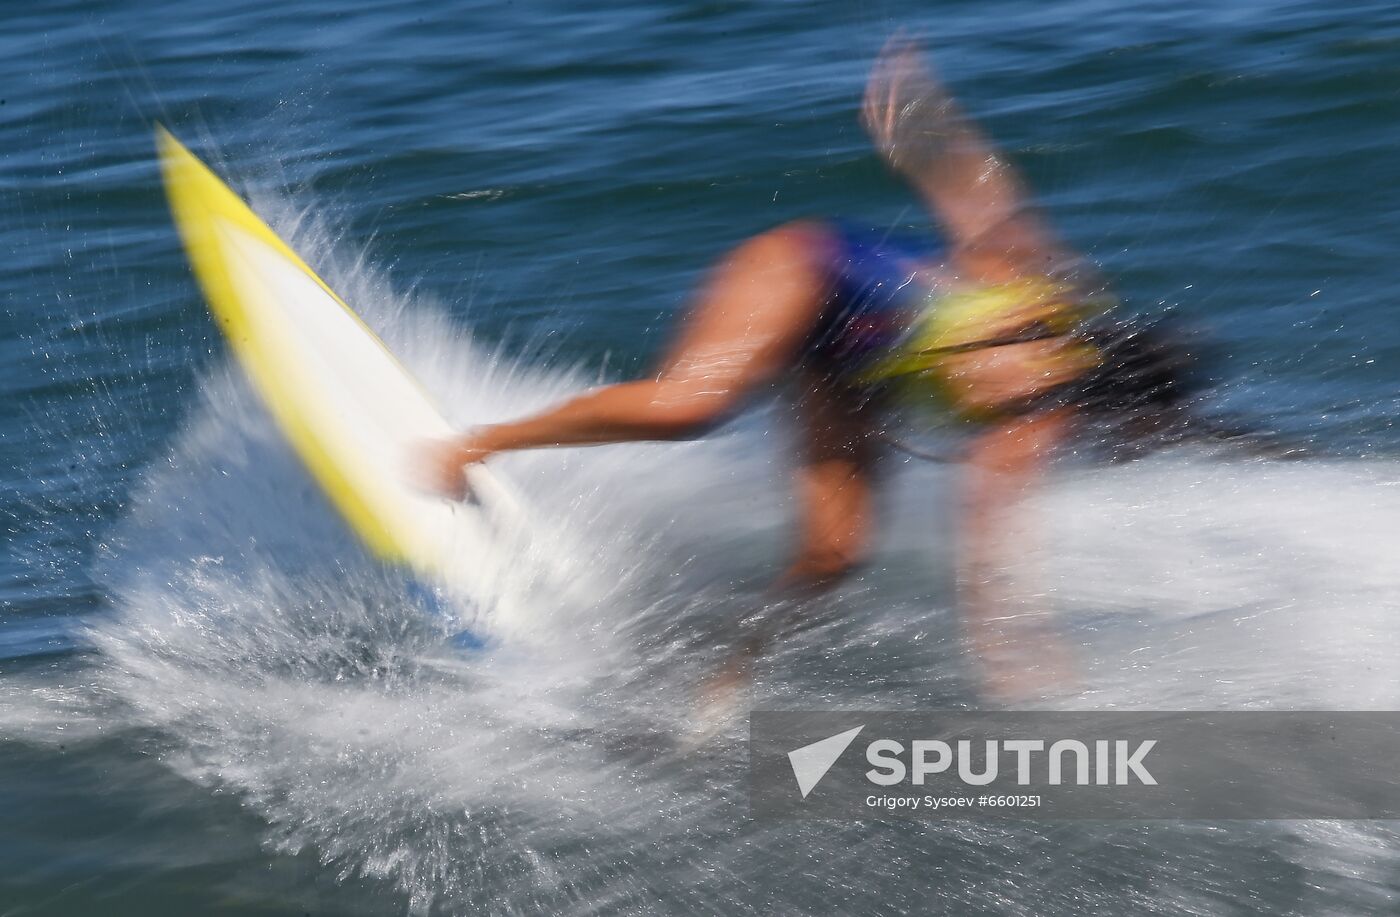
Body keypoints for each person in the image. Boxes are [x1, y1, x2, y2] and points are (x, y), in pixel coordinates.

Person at [417, 40, 1214, 699]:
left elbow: (991, 546)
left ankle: (724, 674)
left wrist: (1009, 645)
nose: (1133, 444)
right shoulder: (1034, 294)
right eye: (1140, 428)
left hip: (854, 369)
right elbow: (984, 197)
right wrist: (923, 121)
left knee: (833, 556)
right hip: (805, 273)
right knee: (689, 406)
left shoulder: (1040, 417)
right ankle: (480, 443)